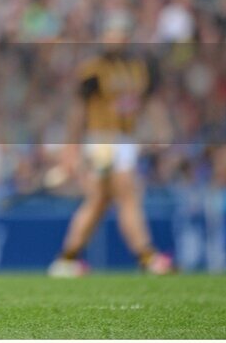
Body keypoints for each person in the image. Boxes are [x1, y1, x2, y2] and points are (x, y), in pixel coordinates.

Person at [48, 14, 174, 277]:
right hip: (102, 139)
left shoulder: (139, 67)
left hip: (125, 139)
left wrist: (161, 129)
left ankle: (66, 259)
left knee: (99, 201)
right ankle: (147, 256)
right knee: (127, 193)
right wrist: (71, 148)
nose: (113, 38)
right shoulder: (93, 69)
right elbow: (79, 110)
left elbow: (149, 101)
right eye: (109, 33)